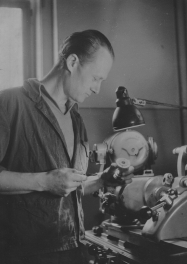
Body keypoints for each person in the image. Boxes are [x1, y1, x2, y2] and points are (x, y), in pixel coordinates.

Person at [0, 29, 134, 264]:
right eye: (96, 78)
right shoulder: (9, 104)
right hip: (24, 255)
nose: (97, 89)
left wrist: (103, 180)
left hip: (74, 250)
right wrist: (45, 181)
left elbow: (68, 190)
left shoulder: (76, 119)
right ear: (73, 62)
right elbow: (52, 183)